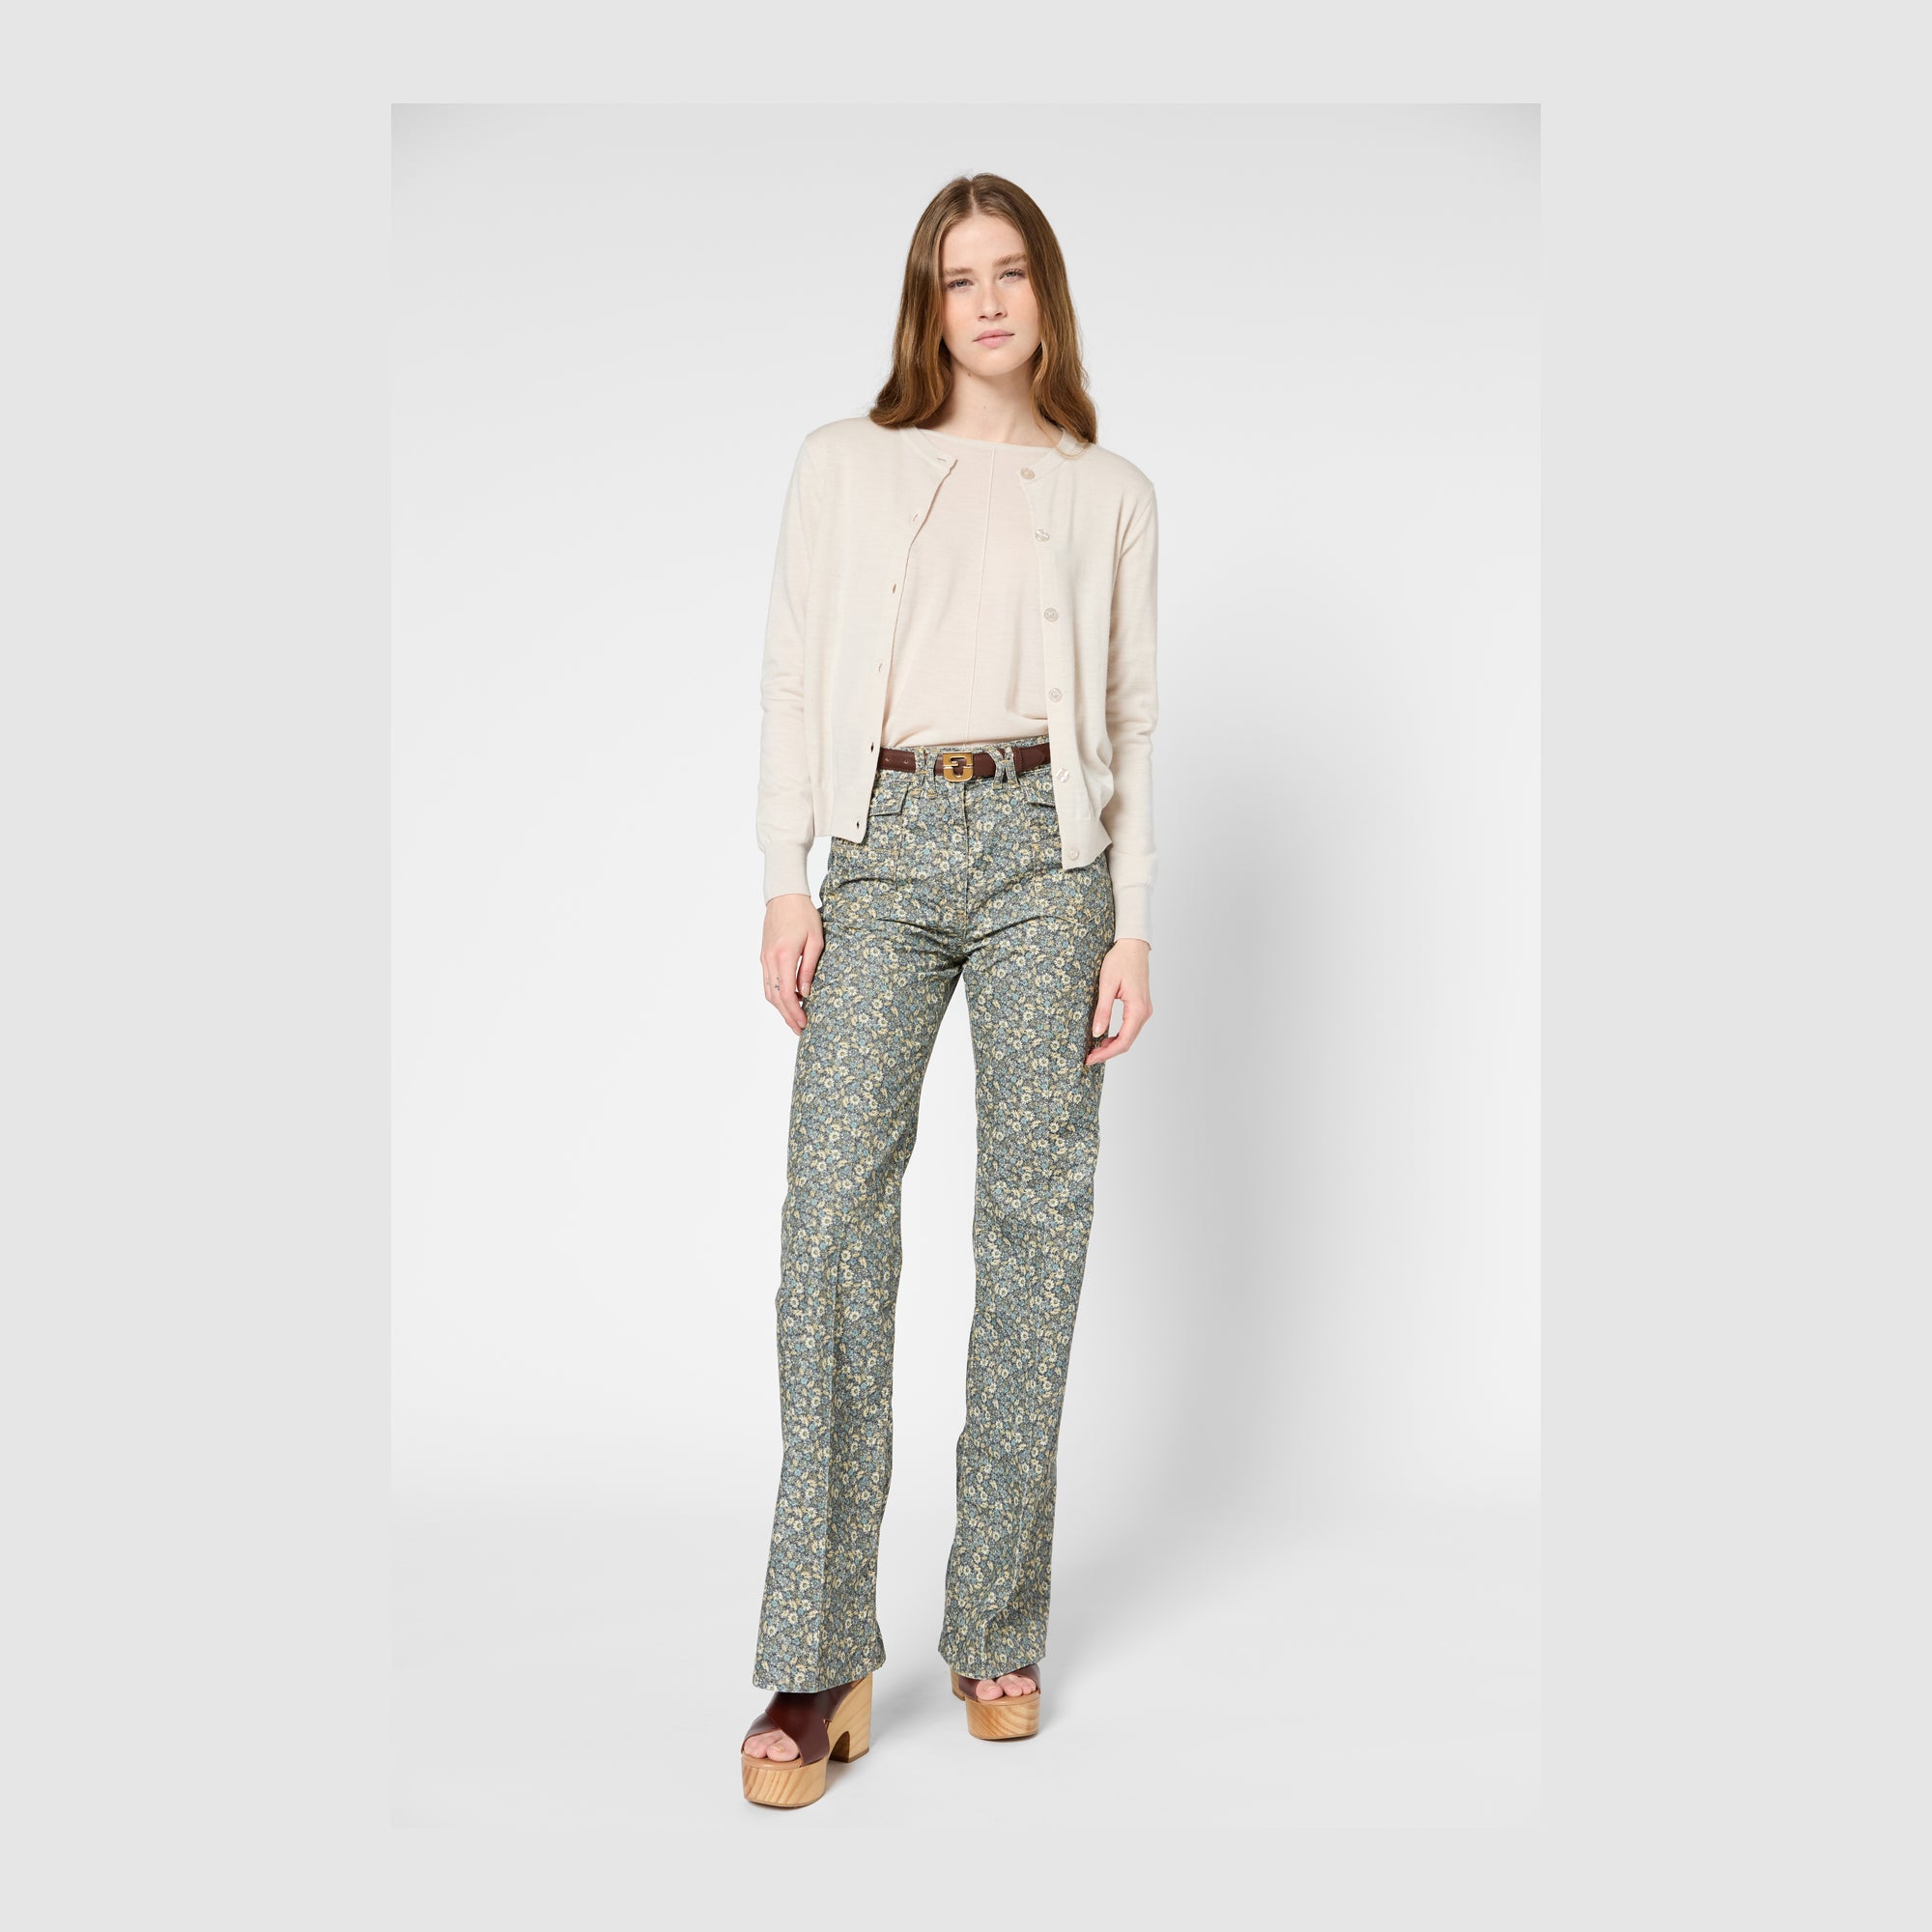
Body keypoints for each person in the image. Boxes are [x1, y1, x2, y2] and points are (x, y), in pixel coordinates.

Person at [740, 172, 1159, 1809]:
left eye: (1010, 271)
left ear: (1046, 293)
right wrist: (786, 872)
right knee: (831, 1218)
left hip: (1053, 857)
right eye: (955, 277)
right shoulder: (844, 463)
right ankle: (819, 1651)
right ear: (926, 306)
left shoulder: (1110, 491)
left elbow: (1134, 713)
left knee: (1035, 1229)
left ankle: (995, 1622)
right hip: (888, 845)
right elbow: (792, 663)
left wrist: (1134, 921)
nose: (986, 301)